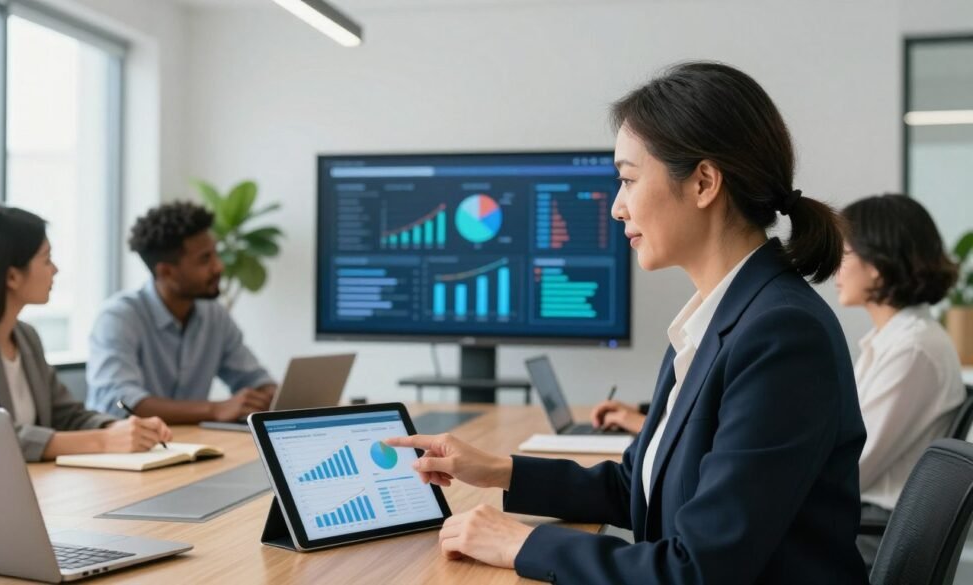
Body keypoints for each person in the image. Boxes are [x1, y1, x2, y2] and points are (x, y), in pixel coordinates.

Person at [387, 61, 869, 584]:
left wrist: (521, 543)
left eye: (628, 180)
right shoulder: (716, 319)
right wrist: (498, 470)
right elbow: (635, 486)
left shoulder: (782, 335)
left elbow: (698, 571)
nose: (617, 207)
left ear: (704, 182)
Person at [0, 205, 171, 462]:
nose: (55, 269)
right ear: (12, 276)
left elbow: (66, 415)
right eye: (46, 260)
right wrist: (103, 441)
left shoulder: (26, 337)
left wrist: (119, 428)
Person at [837, 194, 964, 568]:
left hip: (872, 537)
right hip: (864, 525)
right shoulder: (897, 341)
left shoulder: (913, 350)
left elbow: (852, 466)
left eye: (844, 254)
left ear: (877, 265)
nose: (835, 267)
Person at [85, 202, 277, 424]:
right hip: (125, 443)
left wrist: (273, 394)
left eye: (216, 254)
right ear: (166, 272)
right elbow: (121, 403)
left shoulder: (214, 315)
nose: (219, 267)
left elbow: (254, 379)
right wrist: (214, 409)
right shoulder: (119, 318)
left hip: (190, 441)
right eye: (205, 259)